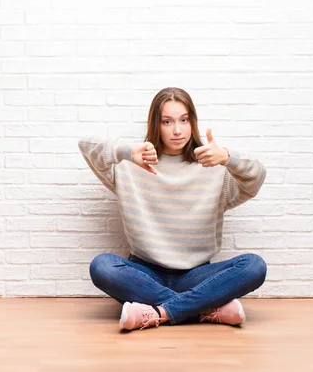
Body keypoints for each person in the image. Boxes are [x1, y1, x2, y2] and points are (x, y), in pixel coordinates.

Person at [78, 87, 267, 331]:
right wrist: (127, 151)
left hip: (197, 275)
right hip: (145, 273)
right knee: (102, 266)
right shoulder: (130, 167)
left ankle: (160, 312)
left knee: (254, 266)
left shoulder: (214, 168)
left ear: (192, 122)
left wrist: (228, 157)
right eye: (167, 122)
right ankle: (204, 307)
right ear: (156, 125)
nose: (177, 130)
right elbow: (86, 145)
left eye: (184, 120)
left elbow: (257, 178)